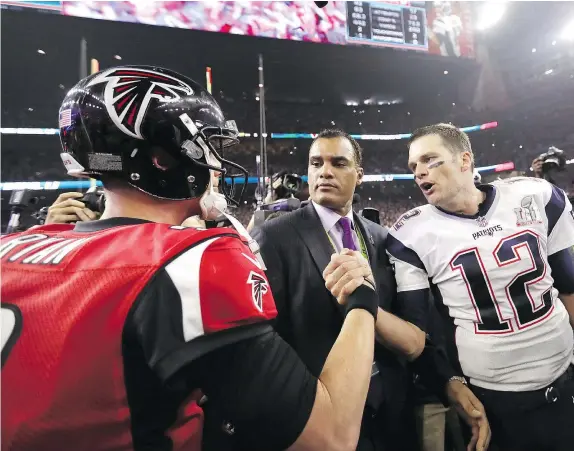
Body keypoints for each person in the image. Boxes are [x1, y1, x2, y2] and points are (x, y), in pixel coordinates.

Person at [1, 66, 383, 451]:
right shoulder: (190, 262)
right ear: (163, 161)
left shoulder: (13, 248)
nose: (215, 163)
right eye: (206, 146)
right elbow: (331, 437)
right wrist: (363, 302)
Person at [252, 129, 490, 451]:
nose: (325, 171)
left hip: (391, 415)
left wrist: (447, 381)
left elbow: (410, 328)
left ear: (359, 175)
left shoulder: (383, 238)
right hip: (320, 419)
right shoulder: (275, 237)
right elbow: (267, 341)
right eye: (316, 163)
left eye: (338, 163)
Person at [389, 123, 574, 451]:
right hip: (493, 399)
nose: (418, 172)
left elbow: (570, 286)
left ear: (464, 161)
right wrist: (451, 384)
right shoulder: (411, 234)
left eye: (429, 160)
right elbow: (418, 332)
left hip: (566, 377)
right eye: (413, 167)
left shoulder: (536, 196)